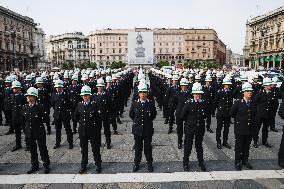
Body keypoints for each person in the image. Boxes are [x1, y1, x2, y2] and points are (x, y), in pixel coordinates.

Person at [129, 82, 157, 172]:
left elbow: (153, 115)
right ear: (138, 93)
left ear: (147, 93)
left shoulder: (151, 104)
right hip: (137, 130)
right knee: (138, 148)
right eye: (141, 92)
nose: (142, 94)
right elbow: (131, 115)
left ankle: (149, 163)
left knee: (148, 148)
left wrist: (147, 122)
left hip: (147, 129)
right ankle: (137, 163)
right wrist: (137, 123)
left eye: (144, 92)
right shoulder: (134, 104)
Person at [22, 87, 50, 174]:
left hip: (39, 131)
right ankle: (34, 165)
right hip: (29, 131)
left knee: (42, 148)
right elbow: (23, 120)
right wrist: (25, 131)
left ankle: (46, 165)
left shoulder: (40, 107)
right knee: (32, 149)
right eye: (27, 96)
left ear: (34, 97)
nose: (28, 98)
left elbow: (45, 119)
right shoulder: (24, 107)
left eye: (30, 96)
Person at [74, 85, 102, 174]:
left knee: (95, 148)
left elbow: (98, 119)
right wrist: (82, 124)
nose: (84, 97)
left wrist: (96, 129)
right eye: (83, 95)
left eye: (86, 95)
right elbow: (76, 117)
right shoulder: (79, 105)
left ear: (90, 95)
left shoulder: (94, 104)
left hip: (93, 130)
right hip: (83, 131)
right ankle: (84, 164)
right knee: (84, 149)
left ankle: (98, 164)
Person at [181, 83, 208, 172]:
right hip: (190, 128)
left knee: (199, 146)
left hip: (200, 128)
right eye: (196, 94)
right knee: (188, 146)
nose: (198, 95)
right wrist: (189, 122)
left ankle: (201, 162)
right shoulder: (189, 103)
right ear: (193, 94)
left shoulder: (204, 103)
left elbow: (206, 115)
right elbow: (182, 115)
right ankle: (185, 163)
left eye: (199, 94)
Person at [230, 82, 256, 171]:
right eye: (248, 91)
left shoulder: (253, 103)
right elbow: (232, 113)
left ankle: (245, 160)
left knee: (247, 146)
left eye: (251, 91)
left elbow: (254, 115)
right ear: (243, 92)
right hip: (240, 128)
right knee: (239, 146)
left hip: (249, 129)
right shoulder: (238, 103)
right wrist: (239, 120)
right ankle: (237, 162)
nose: (250, 92)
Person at [51, 80, 73, 149]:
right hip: (57, 115)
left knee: (68, 129)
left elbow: (70, 104)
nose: (58, 88)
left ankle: (70, 143)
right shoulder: (54, 95)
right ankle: (58, 143)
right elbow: (54, 105)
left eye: (60, 87)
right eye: (57, 87)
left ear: (62, 87)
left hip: (65, 114)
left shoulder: (66, 94)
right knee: (58, 130)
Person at [253, 77, 274, 148]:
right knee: (257, 128)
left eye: (270, 85)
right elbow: (254, 103)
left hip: (267, 115)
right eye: (268, 85)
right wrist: (256, 112)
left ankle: (264, 141)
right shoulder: (260, 93)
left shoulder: (272, 93)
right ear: (264, 86)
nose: (270, 86)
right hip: (259, 114)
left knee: (265, 129)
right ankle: (255, 141)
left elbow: (273, 104)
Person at [213, 77, 233, 149]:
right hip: (221, 113)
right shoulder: (219, 92)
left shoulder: (230, 92)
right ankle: (218, 141)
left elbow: (230, 103)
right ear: (224, 85)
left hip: (227, 113)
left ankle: (225, 141)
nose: (228, 86)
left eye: (229, 84)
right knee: (219, 128)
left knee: (226, 128)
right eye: (227, 84)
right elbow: (215, 102)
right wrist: (213, 111)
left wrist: (231, 112)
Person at [92, 78, 112, 149]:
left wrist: (110, 115)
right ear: (97, 87)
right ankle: (99, 142)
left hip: (105, 115)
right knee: (97, 130)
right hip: (97, 116)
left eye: (101, 86)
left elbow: (110, 106)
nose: (100, 88)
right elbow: (93, 107)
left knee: (107, 130)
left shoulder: (107, 95)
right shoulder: (94, 96)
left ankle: (108, 143)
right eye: (99, 86)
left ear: (103, 87)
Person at [172, 78, 191, 149]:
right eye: (182, 85)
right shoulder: (177, 93)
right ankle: (179, 141)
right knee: (179, 129)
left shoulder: (190, 93)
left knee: (187, 128)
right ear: (180, 86)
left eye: (185, 85)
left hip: (187, 114)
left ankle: (186, 141)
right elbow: (174, 102)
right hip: (179, 113)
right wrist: (177, 108)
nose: (184, 87)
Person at [10, 80, 26, 151]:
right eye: (14, 88)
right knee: (17, 132)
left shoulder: (23, 96)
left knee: (26, 131)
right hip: (15, 116)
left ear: (20, 88)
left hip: (22, 116)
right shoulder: (11, 96)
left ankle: (28, 145)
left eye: (17, 88)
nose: (15, 89)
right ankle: (18, 144)